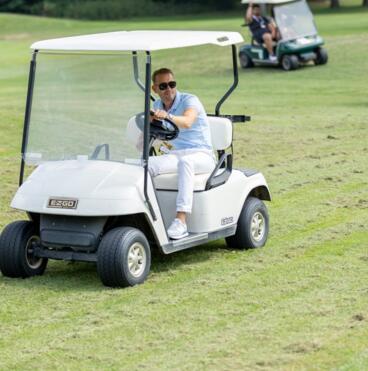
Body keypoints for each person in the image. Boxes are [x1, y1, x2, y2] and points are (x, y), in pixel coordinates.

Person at [148, 68, 216, 240]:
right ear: (154, 89)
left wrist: (167, 116)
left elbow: (187, 122)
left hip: (202, 154)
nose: (169, 89)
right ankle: (148, 213)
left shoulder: (189, 100)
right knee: (146, 164)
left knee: (185, 162)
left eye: (172, 84)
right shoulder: (156, 106)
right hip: (176, 153)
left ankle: (181, 220)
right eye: (163, 86)